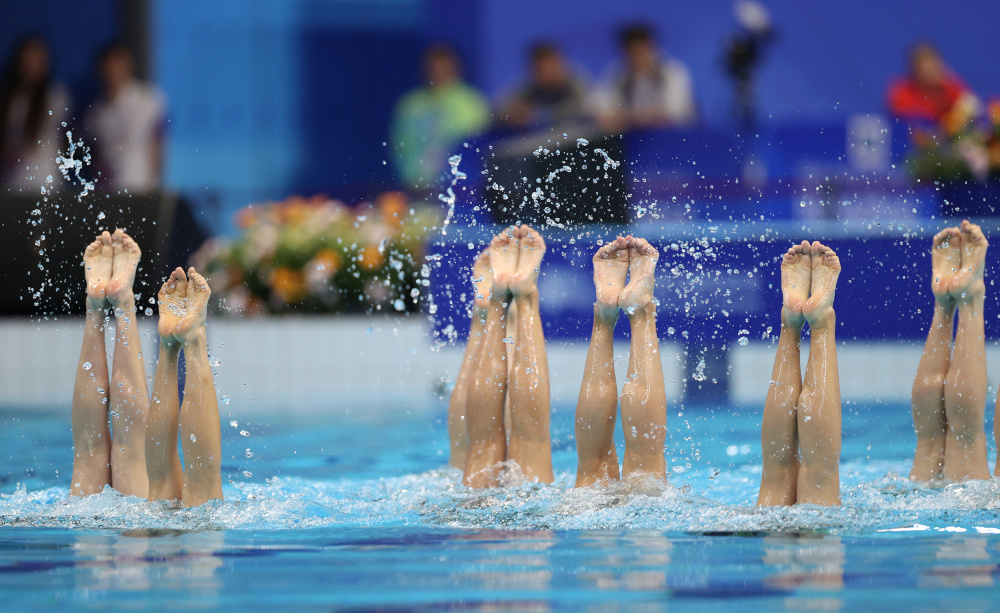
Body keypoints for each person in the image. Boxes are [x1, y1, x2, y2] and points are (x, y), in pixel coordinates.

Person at [71, 229, 223, 506]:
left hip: (112, 524)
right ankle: (189, 339)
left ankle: (103, 308)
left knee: (93, 453)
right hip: (129, 538)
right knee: (107, 453)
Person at [453, 225, 554, 487]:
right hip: (533, 516)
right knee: (531, 443)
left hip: (473, 514)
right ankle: (524, 298)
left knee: (478, 448)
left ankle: (491, 309)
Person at [574, 236, 667, 486]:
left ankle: (603, 317)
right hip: (647, 516)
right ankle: (641, 312)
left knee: (591, 471)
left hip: (578, 514)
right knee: (645, 469)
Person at [758, 240, 842, 506]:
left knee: (775, 475)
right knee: (819, 475)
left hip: (767, 527)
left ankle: (790, 323)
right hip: (816, 534)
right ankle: (819, 325)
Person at [910, 221, 989, 483]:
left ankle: (944, 305)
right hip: (968, 500)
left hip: (917, 498)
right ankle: (969, 298)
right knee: (965, 437)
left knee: (929, 441)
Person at [390, 44, 490, 191]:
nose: (439, 74)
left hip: (461, 188)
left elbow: (476, 151)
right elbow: (402, 147)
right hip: (415, 186)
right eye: (433, 69)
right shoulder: (410, 104)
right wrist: (414, 180)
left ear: (457, 69)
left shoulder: (473, 104)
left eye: (444, 69)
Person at [86, 43, 167, 193]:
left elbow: (157, 143)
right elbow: (97, 155)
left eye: (118, 65)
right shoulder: (96, 112)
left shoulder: (148, 98)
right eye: (109, 67)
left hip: (140, 185)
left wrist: (154, 184)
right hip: (108, 190)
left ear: (129, 66)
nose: (113, 71)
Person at [593, 24, 697, 133]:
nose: (637, 56)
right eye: (632, 52)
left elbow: (675, 111)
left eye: (641, 50)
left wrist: (631, 117)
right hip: (630, 138)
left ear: (652, 47)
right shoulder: (617, 74)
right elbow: (599, 108)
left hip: (673, 137)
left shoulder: (673, 71)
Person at [0, 36, 71, 190]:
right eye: (26, 61)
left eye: (35, 60)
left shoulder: (55, 96)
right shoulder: (10, 99)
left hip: (44, 181)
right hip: (13, 182)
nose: (30, 66)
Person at [496, 42, 591, 130]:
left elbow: (587, 111)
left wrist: (538, 116)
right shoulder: (524, 92)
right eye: (543, 72)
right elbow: (497, 114)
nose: (549, 75)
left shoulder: (577, 84)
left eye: (552, 69)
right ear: (534, 72)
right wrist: (512, 116)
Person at [886, 43, 979, 133]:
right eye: (924, 68)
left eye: (932, 67)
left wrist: (949, 82)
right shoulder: (902, 92)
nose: (929, 73)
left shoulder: (949, 87)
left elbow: (971, 106)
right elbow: (906, 120)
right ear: (914, 70)